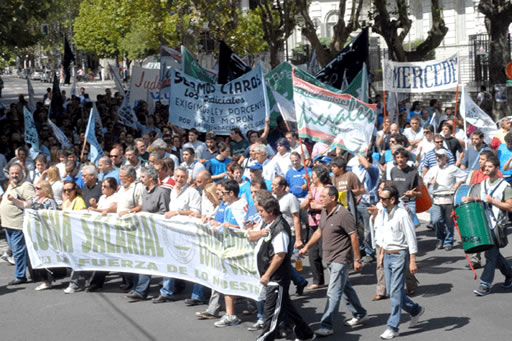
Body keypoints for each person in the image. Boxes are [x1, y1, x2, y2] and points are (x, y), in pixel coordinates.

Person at [299, 186, 367, 337]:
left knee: (333, 292)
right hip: (328, 258)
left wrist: (357, 259)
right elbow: (319, 231)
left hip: (340, 259)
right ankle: (360, 313)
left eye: (323, 196)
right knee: (345, 288)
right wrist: (307, 246)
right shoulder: (324, 211)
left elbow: (354, 236)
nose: (320, 199)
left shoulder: (344, 214)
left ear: (333, 198)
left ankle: (327, 325)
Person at [254, 197, 315, 341]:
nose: (260, 214)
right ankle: (306, 334)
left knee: (271, 314)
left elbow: (279, 256)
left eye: (262, 211)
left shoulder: (280, 229)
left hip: (276, 279)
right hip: (273, 278)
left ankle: (264, 338)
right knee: (287, 308)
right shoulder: (270, 224)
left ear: (271, 211)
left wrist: (267, 275)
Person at [374, 186, 425, 339]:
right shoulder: (385, 213)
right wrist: (382, 253)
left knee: (395, 293)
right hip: (388, 255)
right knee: (392, 292)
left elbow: (411, 238)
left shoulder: (402, 214)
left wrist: (413, 261)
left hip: (399, 256)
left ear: (392, 199)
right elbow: (385, 235)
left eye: (384, 198)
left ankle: (393, 327)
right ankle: (415, 310)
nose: (381, 201)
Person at [462, 155, 512, 296]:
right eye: (486, 167)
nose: (487, 169)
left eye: (490, 167)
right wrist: (471, 198)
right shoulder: (483, 184)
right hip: (484, 224)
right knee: (494, 254)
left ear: (497, 168)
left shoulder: (505, 186)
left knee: (490, 254)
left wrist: (494, 201)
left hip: (498, 225)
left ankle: (485, 284)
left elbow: (510, 206)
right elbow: (482, 199)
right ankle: (509, 274)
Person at [125, 166, 170, 302]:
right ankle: (141, 290)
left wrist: (149, 216)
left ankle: (173, 287)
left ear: (151, 177)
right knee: (144, 260)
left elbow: (164, 212)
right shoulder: (145, 191)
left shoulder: (161, 192)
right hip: (146, 232)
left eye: (143, 177)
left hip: (159, 232)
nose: (140, 179)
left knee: (162, 262)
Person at [7, 180, 60, 290]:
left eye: (38, 188)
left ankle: (48, 279)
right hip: (36, 233)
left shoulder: (50, 201)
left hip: (46, 234)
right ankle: (45, 279)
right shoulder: (36, 199)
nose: (36, 189)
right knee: (38, 255)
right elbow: (24, 204)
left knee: (46, 256)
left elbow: (54, 217)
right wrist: (13, 199)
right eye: (35, 187)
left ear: (45, 190)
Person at [424, 149, 467, 250]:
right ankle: (440, 239)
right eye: (437, 156)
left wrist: (457, 184)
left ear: (446, 157)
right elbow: (425, 178)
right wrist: (430, 181)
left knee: (449, 221)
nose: (438, 158)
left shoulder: (452, 168)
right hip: (436, 198)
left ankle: (448, 241)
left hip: (449, 197)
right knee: (436, 220)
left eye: (440, 156)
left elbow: (464, 175)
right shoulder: (433, 169)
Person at [1, 163, 35, 285]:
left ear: (22, 174)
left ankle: (20, 276)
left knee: (19, 251)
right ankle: (34, 272)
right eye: (12, 173)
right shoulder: (11, 185)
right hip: (7, 224)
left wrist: (16, 200)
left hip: (17, 224)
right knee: (17, 252)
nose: (14, 175)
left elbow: (32, 202)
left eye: (17, 173)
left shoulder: (25, 186)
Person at [300, 166, 331, 290]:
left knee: (324, 252)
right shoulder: (311, 189)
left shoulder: (327, 188)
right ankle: (318, 280)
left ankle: (335, 277)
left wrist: (317, 206)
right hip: (312, 223)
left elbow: (331, 206)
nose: (312, 177)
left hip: (323, 222)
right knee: (313, 253)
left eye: (314, 175)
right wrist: (307, 202)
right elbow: (302, 206)